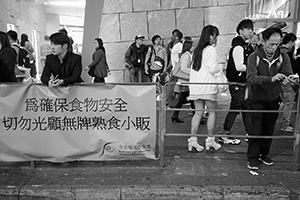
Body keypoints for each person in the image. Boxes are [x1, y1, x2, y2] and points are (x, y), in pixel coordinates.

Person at [246, 27, 295, 170]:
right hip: (255, 99)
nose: (274, 47)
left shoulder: (283, 57)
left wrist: (289, 79)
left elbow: (287, 72)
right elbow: (251, 78)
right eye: (271, 44)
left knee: (269, 129)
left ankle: (263, 154)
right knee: (256, 129)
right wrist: (271, 78)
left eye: (277, 44)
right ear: (263, 41)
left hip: (273, 99)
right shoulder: (253, 57)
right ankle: (252, 157)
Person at [187, 25, 223, 152]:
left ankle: (193, 140)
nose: (217, 38)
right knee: (212, 112)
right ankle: (210, 140)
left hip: (196, 87)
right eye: (216, 36)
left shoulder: (196, 51)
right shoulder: (211, 50)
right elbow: (213, 68)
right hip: (208, 86)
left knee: (198, 112)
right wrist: (221, 66)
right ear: (211, 36)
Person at [219, 19, 254, 145]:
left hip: (241, 82)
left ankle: (249, 133)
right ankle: (224, 133)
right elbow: (239, 66)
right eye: (248, 29)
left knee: (245, 107)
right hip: (237, 83)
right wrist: (254, 68)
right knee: (236, 107)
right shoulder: (238, 46)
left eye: (252, 29)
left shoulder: (244, 45)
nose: (251, 31)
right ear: (240, 31)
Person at [171, 36, 195, 123]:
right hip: (185, 81)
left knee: (185, 98)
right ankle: (196, 116)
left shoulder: (185, 54)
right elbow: (184, 68)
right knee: (191, 98)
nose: (193, 47)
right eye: (192, 46)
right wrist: (192, 72)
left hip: (184, 81)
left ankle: (176, 114)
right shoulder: (186, 55)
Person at [279, 33, 297, 132]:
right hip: (287, 80)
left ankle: (281, 121)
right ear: (290, 42)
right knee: (289, 103)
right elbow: (292, 68)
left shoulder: (278, 51)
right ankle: (285, 124)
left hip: (279, 80)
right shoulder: (287, 53)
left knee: (284, 102)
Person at [165, 30, 183, 107]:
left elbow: (180, 58)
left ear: (177, 37)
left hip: (176, 69)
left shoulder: (179, 45)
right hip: (174, 69)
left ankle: (166, 102)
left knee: (170, 85)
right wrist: (168, 68)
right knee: (172, 84)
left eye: (173, 35)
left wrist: (176, 68)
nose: (171, 36)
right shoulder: (175, 45)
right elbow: (172, 59)